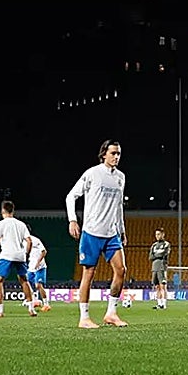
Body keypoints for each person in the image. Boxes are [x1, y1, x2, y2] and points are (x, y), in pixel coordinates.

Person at [65, 139, 129, 329]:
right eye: (113, 153)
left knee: (121, 270)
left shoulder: (121, 177)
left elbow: (118, 206)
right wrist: (72, 220)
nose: (116, 157)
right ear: (103, 154)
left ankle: (111, 313)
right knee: (89, 273)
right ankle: (84, 317)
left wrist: (122, 230)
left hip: (111, 233)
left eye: (118, 153)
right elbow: (71, 196)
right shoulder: (92, 173)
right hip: (92, 232)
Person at [0, 201, 38, 318]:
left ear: (2, 210)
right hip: (20, 256)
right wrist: (26, 254)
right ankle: (31, 309)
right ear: (13, 210)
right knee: (24, 280)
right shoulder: (21, 224)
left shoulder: (0, 224)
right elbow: (29, 241)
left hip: (7, 255)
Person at [26, 233, 52, 311]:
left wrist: (38, 262)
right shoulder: (22, 241)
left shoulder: (35, 240)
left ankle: (46, 304)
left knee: (38, 285)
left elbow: (44, 251)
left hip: (40, 266)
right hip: (31, 266)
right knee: (27, 283)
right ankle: (35, 301)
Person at [148, 227, 171, 309]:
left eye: (158, 234)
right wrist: (158, 255)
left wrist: (156, 255)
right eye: (156, 234)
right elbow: (150, 257)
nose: (157, 236)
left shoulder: (166, 244)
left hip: (162, 267)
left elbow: (164, 254)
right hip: (154, 267)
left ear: (163, 234)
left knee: (162, 286)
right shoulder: (154, 245)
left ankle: (164, 304)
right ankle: (159, 303)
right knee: (157, 286)